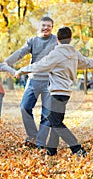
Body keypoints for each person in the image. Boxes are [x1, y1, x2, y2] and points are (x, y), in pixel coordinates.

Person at [15, 27, 93, 157]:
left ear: (57, 39)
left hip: (56, 92)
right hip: (66, 93)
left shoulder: (56, 54)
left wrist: (21, 70)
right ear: (70, 39)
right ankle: (51, 151)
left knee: (55, 121)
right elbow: (87, 62)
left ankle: (77, 149)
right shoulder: (74, 53)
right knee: (55, 120)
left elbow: (39, 65)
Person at [5, 16, 57, 149]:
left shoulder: (56, 41)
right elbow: (20, 52)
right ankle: (33, 136)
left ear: (52, 27)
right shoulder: (33, 41)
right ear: (39, 26)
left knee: (47, 113)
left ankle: (40, 143)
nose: (46, 28)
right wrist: (7, 62)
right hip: (33, 80)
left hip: (49, 82)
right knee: (24, 107)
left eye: (48, 26)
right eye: (43, 25)